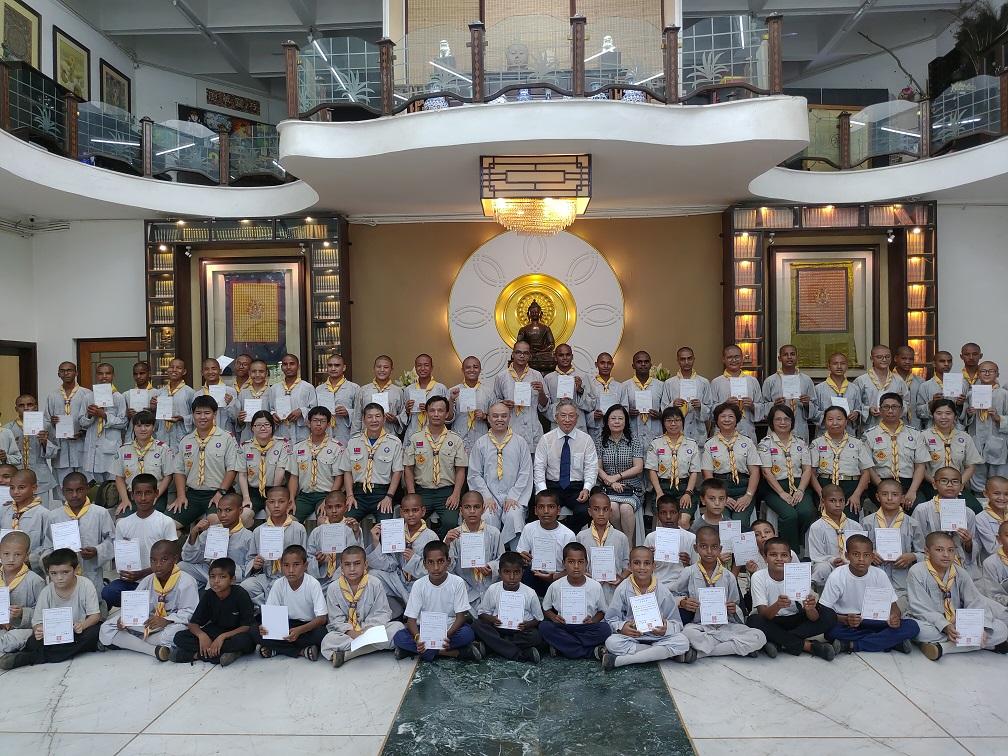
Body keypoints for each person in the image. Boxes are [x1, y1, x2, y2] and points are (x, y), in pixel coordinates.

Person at [908, 531, 1008, 659]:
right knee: (918, 630)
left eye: (951, 550)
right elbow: (920, 607)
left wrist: (978, 626)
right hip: (933, 623)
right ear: (927, 551)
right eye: (939, 550)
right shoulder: (917, 571)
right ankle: (982, 644)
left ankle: (943, 648)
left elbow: (975, 601)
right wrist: (945, 625)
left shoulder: (960, 572)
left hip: (959, 621)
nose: (946, 555)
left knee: (1001, 629)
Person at [0, 548, 101, 669]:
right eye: (54, 573)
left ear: (75, 570)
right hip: (54, 635)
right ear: (48, 572)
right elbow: (37, 621)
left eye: (65, 572)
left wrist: (82, 625)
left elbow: (95, 616)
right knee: (33, 642)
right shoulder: (46, 591)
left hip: (78, 631)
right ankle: (66, 651)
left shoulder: (85, 585)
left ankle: (30, 658)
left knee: (95, 631)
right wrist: (39, 630)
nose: (59, 577)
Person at [98, 539, 199, 661]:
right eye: (153, 560)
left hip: (170, 624)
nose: (158, 565)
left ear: (175, 559)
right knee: (107, 627)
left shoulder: (186, 581)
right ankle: (154, 650)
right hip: (151, 623)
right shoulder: (148, 580)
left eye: (164, 560)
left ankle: (133, 641)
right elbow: (134, 606)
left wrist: (166, 620)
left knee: (173, 635)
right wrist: (125, 618)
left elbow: (190, 613)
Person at [676, 526, 766, 658]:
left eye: (714, 547)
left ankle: (701, 653)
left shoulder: (728, 576)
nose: (709, 551)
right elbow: (673, 595)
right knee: (686, 635)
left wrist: (733, 608)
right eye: (703, 546)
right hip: (699, 626)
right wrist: (683, 602)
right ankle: (735, 647)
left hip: (725, 626)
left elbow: (735, 603)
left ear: (720, 548)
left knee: (759, 636)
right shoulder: (688, 572)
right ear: (696, 548)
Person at [820, 534, 919, 654]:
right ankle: (891, 641)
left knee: (912, 626)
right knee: (830, 632)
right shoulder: (837, 576)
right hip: (848, 621)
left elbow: (893, 606)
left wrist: (894, 617)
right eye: (856, 554)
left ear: (872, 557)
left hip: (874, 619)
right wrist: (845, 619)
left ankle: (851, 645)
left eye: (866, 555)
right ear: (847, 555)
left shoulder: (879, 574)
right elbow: (824, 611)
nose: (861, 559)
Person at [602, 546, 692, 669]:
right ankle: (662, 653)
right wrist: (622, 628)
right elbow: (611, 619)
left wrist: (666, 628)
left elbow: (677, 623)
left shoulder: (663, 591)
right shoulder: (623, 589)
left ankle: (622, 661)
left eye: (647, 563)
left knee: (682, 642)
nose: (642, 567)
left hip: (659, 637)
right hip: (632, 637)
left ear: (654, 566)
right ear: (629, 566)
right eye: (637, 563)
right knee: (612, 642)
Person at [746, 537, 837, 659]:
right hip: (772, 620)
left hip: (795, 620)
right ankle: (809, 646)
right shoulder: (758, 577)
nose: (779, 559)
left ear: (790, 558)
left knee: (829, 615)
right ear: (765, 558)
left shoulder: (797, 574)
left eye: (784, 555)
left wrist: (810, 608)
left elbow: (814, 618)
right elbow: (764, 614)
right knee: (754, 621)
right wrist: (778, 605)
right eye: (773, 555)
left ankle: (780, 642)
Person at [392, 540, 481, 661]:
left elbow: (461, 617)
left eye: (440, 561)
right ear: (424, 564)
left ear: (448, 562)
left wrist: (445, 636)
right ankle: (454, 653)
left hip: (449, 631)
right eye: (431, 562)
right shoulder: (419, 585)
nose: (436, 568)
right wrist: (418, 638)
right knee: (399, 637)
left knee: (467, 634)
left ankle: (413, 651)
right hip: (424, 631)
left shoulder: (458, 583)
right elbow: (411, 620)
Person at [102, 474, 178, 607]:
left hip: (159, 578)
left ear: (156, 493)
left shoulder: (165, 522)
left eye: (148, 493)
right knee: (109, 592)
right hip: (133, 581)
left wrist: (144, 573)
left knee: (169, 592)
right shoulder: (123, 524)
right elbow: (121, 559)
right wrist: (127, 573)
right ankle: (141, 605)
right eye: (138, 493)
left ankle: (143, 604)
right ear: (131, 495)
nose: (143, 498)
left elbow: (174, 560)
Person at [322, 545, 404, 667]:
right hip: (348, 633)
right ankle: (375, 647)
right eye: (347, 564)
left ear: (365, 565)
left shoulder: (374, 583)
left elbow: (382, 612)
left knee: (398, 628)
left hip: (370, 629)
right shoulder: (333, 588)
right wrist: (351, 632)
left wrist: (367, 629)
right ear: (342, 567)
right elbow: (335, 620)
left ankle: (349, 654)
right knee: (328, 642)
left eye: (357, 564)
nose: (352, 569)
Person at [466, 402, 533, 549]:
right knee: (487, 517)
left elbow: (525, 473)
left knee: (514, 516)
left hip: (514, 497)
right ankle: (493, 555)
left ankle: (515, 557)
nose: (499, 419)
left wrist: (514, 496)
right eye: (495, 416)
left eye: (504, 416)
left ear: (510, 418)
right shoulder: (481, 443)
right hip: (490, 496)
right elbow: (475, 474)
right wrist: (486, 496)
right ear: (488, 418)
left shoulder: (520, 442)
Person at [170, 395, 242, 529]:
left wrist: (221, 492)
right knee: (167, 524)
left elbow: (232, 469)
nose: (202, 417)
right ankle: (187, 548)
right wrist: (181, 495)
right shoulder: (186, 440)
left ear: (214, 414)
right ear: (192, 415)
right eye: (198, 413)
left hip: (218, 493)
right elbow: (179, 470)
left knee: (216, 522)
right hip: (192, 495)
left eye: (207, 413)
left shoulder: (226, 438)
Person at [168, 557, 256, 665]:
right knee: (179, 637)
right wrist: (202, 636)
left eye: (222, 577)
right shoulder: (209, 595)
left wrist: (222, 637)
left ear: (232, 579)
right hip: (214, 632)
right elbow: (193, 624)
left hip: (235, 633)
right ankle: (218, 654)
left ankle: (197, 655)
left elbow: (247, 626)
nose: (216, 581)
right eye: (212, 577)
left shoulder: (240, 594)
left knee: (246, 642)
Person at [404, 395, 468, 537]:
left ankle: (438, 546)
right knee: (411, 522)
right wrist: (412, 493)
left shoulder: (455, 439)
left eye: (440, 410)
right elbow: (408, 468)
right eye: (432, 410)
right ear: (426, 413)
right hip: (422, 492)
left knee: (451, 523)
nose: (436, 414)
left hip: (446, 493)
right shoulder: (415, 438)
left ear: (446, 414)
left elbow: (460, 469)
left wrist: (456, 493)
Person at [367, 494, 439, 617]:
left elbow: (434, 568)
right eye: (406, 511)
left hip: (419, 582)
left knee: (424, 615)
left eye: (415, 510)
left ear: (423, 511)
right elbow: (388, 564)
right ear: (401, 512)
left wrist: (414, 560)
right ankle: (394, 609)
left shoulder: (431, 536)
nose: (410, 514)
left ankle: (409, 614)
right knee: (373, 576)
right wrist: (375, 541)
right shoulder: (394, 532)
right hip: (399, 580)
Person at [43, 472, 114, 596]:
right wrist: (52, 556)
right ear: (62, 491)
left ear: (87, 488)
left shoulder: (99, 513)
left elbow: (112, 540)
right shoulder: (54, 516)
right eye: (69, 491)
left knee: (92, 603)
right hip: (63, 574)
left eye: (79, 490)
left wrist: (97, 550)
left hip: (91, 571)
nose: (75, 495)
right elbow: (48, 545)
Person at [758, 405, 816, 552]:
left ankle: (798, 541)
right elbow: (766, 472)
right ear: (771, 422)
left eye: (786, 419)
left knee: (807, 512)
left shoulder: (800, 442)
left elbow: (807, 469)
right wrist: (781, 493)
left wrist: (801, 490)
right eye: (778, 419)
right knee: (789, 515)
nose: (782, 422)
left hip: (799, 485)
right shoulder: (765, 444)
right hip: (774, 488)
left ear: (792, 421)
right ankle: (792, 552)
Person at [534, 399, 598, 534]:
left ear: (577, 418)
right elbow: (539, 468)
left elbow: (591, 467)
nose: (567, 419)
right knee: (540, 509)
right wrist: (543, 492)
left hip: (576, 488)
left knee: (584, 511)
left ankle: (567, 533)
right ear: (556, 418)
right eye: (563, 415)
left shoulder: (586, 440)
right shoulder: (546, 439)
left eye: (571, 415)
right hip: (552, 486)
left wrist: (587, 488)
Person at [255, 545, 328, 661]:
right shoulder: (279, 584)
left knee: (322, 634)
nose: (290, 570)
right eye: (286, 565)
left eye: (296, 565)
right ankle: (301, 651)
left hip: (307, 627)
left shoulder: (313, 584)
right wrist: (266, 627)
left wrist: (300, 630)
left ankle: (276, 649)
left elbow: (322, 618)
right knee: (254, 631)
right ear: (281, 565)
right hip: (286, 626)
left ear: (305, 566)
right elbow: (271, 614)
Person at [539, 542, 611, 659]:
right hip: (564, 626)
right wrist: (553, 617)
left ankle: (563, 648)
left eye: (580, 562)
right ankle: (591, 652)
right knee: (544, 627)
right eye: (571, 562)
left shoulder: (595, 586)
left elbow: (602, 612)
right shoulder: (556, 586)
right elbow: (546, 608)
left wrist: (592, 620)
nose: (576, 566)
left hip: (585, 628)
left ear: (586, 564)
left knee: (605, 630)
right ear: (564, 564)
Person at [240, 486, 309, 606]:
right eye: (272, 502)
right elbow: (250, 558)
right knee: (246, 586)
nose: (276, 505)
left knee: (285, 589)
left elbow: (305, 557)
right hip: (266, 576)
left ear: (289, 504)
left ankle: (271, 607)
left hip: (290, 577)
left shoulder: (298, 529)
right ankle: (268, 607)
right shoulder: (259, 531)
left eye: (281, 502)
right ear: (267, 504)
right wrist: (255, 564)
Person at [861, 478, 925, 607]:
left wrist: (912, 556)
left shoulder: (912, 523)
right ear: (877, 497)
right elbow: (858, 550)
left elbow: (924, 553)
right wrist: (870, 553)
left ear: (902, 498)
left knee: (899, 611)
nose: (889, 498)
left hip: (902, 581)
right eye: (884, 494)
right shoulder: (866, 522)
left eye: (895, 495)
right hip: (873, 578)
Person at [472, 551, 544, 663]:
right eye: (507, 572)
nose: (511, 577)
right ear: (499, 573)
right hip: (498, 629)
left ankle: (493, 647)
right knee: (477, 625)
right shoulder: (493, 589)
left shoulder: (530, 593)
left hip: (520, 632)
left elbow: (538, 619)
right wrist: (492, 619)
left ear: (522, 572)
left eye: (516, 572)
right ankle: (520, 654)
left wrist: (526, 624)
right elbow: (481, 613)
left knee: (536, 636)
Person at [701, 403, 761, 528]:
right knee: (723, 522)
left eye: (731, 416)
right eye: (723, 416)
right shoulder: (709, 444)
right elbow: (707, 474)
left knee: (740, 522)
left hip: (743, 489)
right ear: (717, 420)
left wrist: (748, 496)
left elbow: (755, 472)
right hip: (720, 489)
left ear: (737, 419)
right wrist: (722, 497)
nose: (727, 420)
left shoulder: (747, 442)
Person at [865, 393, 928, 510]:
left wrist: (912, 491)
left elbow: (920, 466)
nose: (890, 410)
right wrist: (884, 489)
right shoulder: (870, 435)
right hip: (880, 484)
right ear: (880, 410)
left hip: (908, 484)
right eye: (886, 407)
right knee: (888, 508)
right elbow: (868, 468)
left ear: (902, 410)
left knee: (919, 507)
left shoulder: (915, 434)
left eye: (894, 407)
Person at [343, 403, 403, 524]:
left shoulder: (394, 442)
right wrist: (350, 495)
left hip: (382, 493)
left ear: (384, 419)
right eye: (369, 417)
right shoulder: (353, 442)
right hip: (358, 495)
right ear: (364, 420)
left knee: (386, 529)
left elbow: (397, 472)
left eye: (378, 416)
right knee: (344, 525)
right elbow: (347, 471)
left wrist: (389, 497)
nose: (374, 420)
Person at [920, 398, 984, 512]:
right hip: (932, 485)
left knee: (975, 508)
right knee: (934, 510)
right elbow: (921, 467)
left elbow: (970, 466)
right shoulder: (923, 436)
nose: (943, 417)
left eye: (948, 413)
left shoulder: (964, 437)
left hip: (957, 486)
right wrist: (937, 483)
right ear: (932, 415)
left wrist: (959, 483)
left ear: (955, 416)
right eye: (939, 413)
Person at [180, 494, 256, 589]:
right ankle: (210, 582)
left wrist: (225, 568)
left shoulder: (248, 536)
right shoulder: (211, 532)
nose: (223, 515)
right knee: (182, 566)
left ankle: (212, 585)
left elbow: (249, 568)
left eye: (228, 510)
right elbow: (189, 558)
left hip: (234, 577)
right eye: (219, 510)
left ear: (240, 510)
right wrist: (194, 533)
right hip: (209, 572)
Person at [444, 492, 503, 615]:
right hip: (466, 590)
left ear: (483, 509)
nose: (472, 511)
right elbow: (448, 569)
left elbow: (502, 560)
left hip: (489, 588)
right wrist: (447, 544)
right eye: (467, 507)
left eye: (476, 507)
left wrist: (491, 567)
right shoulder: (454, 535)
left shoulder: (494, 533)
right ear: (461, 510)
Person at [595, 404, 645, 544]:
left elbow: (638, 467)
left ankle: (629, 546)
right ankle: (620, 541)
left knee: (626, 509)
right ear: (607, 421)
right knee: (613, 508)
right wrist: (611, 481)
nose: (617, 422)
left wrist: (618, 477)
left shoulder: (633, 440)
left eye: (620, 419)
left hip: (631, 488)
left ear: (626, 421)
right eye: (613, 418)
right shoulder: (600, 440)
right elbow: (597, 468)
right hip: (608, 487)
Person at [810, 406, 872, 515]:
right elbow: (811, 473)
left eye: (839, 419)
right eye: (830, 419)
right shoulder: (817, 443)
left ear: (846, 421)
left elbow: (866, 472)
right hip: (825, 485)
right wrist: (822, 495)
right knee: (825, 521)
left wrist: (856, 495)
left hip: (851, 487)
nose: (835, 423)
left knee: (850, 521)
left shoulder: (858, 443)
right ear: (824, 422)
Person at [287, 406, 346, 523]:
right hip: (304, 496)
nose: (318, 424)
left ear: (328, 424)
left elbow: (339, 477)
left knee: (324, 522)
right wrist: (292, 499)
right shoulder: (298, 447)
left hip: (325, 494)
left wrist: (328, 500)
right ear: (308, 423)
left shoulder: (336, 447)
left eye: (323, 421)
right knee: (288, 521)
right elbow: (294, 476)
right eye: (315, 420)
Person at [913, 466, 978, 570]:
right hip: (930, 563)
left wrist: (968, 542)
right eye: (944, 481)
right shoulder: (922, 510)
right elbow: (918, 544)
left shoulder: (969, 513)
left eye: (955, 481)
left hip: (960, 562)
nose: (950, 485)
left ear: (961, 486)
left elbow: (972, 548)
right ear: (934, 484)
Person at [111, 411, 174, 517]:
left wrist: (156, 497)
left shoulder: (163, 449)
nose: (143, 429)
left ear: (153, 427)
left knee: (153, 526)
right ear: (133, 428)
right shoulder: (123, 449)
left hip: (155, 497)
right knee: (121, 523)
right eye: (139, 425)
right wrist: (125, 500)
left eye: (147, 425)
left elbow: (168, 476)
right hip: (131, 497)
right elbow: (119, 477)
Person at [44, 361, 92, 496]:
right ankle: (67, 515)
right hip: (61, 449)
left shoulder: (86, 394)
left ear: (76, 373)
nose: (66, 373)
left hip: (81, 446)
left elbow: (93, 421)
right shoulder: (52, 396)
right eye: (63, 371)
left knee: (85, 485)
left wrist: (82, 433)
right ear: (58, 374)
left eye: (69, 370)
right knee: (64, 488)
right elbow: (46, 421)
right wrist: (52, 423)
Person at [646, 407, 701, 526]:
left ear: (682, 422)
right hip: (662, 487)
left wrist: (688, 493)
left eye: (677, 420)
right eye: (669, 420)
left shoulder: (691, 444)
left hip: (684, 487)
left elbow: (694, 472)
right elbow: (652, 470)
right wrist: (659, 492)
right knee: (663, 522)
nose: (673, 424)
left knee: (683, 522)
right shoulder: (655, 444)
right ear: (663, 423)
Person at [493, 340, 549, 451]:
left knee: (533, 465)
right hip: (510, 426)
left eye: (525, 353)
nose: (522, 355)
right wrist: (502, 404)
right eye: (518, 352)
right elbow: (494, 402)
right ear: (513, 354)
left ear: (529, 356)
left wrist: (541, 392)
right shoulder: (502, 377)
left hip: (532, 429)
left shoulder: (536, 375)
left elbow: (544, 406)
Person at [517, 491, 576, 595]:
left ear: (558, 510)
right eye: (541, 507)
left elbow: (572, 567)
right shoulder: (529, 528)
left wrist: (555, 577)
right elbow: (521, 556)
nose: (546, 511)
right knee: (524, 576)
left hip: (558, 576)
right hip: (534, 573)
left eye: (551, 507)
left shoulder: (568, 535)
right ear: (535, 510)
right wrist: (522, 559)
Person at [576, 492, 630, 604]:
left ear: (610, 512)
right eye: (596, 509)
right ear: (590, 512)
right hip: (588, 588)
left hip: (613, 589)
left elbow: (627, 564)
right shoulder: (581, 536)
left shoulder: (621, 537)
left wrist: (621, 577)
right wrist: (584, 574)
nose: (601, 513)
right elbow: (578, 562)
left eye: (605, 509)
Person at [5, 395, 58, 507]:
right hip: (16, 478)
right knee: (17, 511)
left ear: (35, 407)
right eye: (21, 405)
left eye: (30, 405)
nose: (26, 408)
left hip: (40, 478)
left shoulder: (46, 426)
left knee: (41, 512)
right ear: (16, 409)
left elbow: (55, 452)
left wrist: (44, 442)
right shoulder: (8, 429)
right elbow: (5, 456)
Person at [237, 411, 289, 526]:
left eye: (266, 424)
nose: (263, 428)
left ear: (272, 427)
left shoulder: (282, 444)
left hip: (274, 489)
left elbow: (280, 471)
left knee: (275, 517)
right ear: (252, 428)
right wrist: (246, 497)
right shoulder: (245, 446)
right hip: (253, 492)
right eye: (258, 425)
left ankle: (273, 543)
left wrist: (274, 496)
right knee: (244, 516)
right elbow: (242, 474)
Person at [0, 531, 45, 660]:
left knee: (11, 640)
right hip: (2, 627)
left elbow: (42, 612)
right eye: (6, 554)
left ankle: (14, 653)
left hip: (24, 628)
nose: (11, 559)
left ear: (26, 556)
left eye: (17, 554)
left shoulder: (35, 581)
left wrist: (22, 613)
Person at [808, 484, 863, 588]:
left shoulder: (855, 526)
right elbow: (816, 555)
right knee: (821, 569)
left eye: (841, 500)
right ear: (823, 502)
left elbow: (861, 549)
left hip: (851, 563)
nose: (838, 504)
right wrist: (833, 560)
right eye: (832, 501)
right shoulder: (817, 527)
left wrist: (848, 560)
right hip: (829, 564)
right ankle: (820, 599)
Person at [965, 361, 1007, 495]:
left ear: (997, 373)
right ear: (978, 374)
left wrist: (998, 418)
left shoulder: (1004, 394)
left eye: (991, 371)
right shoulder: (971, 394)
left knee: (998, 476)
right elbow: (962, 421)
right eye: (983, 371)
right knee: (977, 473)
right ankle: (979, 500)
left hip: (997, 441)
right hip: (976, 440)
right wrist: (969, 414)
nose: (987, 373)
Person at [307, 490, 363, 590]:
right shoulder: (317, 532)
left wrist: (356, 533)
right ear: (325, 509)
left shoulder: (352, 528)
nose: (334, 511)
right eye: (329, 507)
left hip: (346, 580)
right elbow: (309, 558)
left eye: (338, 506)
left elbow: (360, 555)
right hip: (321, 580)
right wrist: (318, 561)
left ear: (345, 507)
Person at [762, 345, 818, 441]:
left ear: (797, 357)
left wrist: (807, 404)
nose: (789, 357)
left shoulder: (806, 380)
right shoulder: (770, 381)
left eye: (792, 354)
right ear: (779, 358)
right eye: (785, 355)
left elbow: (815, 406)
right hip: (777, 427)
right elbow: (762, 406)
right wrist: (774, 405)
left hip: (799, 426)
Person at [709, 345, 764, 442]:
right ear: (723, 359)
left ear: (742, 358)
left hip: (747, 429)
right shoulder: (716, 382)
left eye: (737, 357)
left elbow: (761, 406)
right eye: (729, 357)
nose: (733, 360)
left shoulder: (752, 381)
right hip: (723, 432)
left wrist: (752, 405)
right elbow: (710, 410)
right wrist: (725, 404)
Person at [660, 346, 711, 446]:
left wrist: (701, 406)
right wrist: (673, 404)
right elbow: (663, 409)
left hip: (697, 430)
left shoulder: (703, 382)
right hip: (676, 431)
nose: (686, 362)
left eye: (689, 358)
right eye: (683, 359)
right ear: (678, 361)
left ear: (694, 359)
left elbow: (710, 410)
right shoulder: (669, 383)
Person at [853, 345, 910, 434]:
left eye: (887, 357)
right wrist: (868, 409)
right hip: (870, 426)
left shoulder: (898, 380)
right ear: (872, 358)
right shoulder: (861, 381)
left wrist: (895, 409)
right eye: (879, 357)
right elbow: (855, 404)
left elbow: (906, 402)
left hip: (893, 426)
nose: (884, 360)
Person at [2, 469, 51, 572]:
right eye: (12, 488)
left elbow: (48, 545)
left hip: (31, 570)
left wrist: (30, 559)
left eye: (21, 488)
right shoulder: (4, 511)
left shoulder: (44, 514)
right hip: (4, 568)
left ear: (34, 488)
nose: (15, 492)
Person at [644, 495, 696, 591]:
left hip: (681, 587)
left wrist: (687, 564)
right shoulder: (651, 538)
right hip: (656, 586)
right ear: (658, 515)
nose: (668, 517)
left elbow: (697, 570)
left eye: (673, 512)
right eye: (663, 513)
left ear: (679, 514)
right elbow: (644, 570)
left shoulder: (691, 538)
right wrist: (648, 560)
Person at [542, 344, 593, 432]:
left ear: (572, 356)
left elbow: (592, 405)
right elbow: (544, 408)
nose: (565, 358)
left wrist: (580, 391)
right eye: (561, 355)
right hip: (557, 426)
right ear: (555, 357)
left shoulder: (582, 376)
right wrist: (559, 404)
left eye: (568, 354)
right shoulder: (549, 378)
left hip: (578, 425)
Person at [447, 356, 493, 453]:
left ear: (480, 370)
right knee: (459, 466)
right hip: (458, 437)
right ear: (462, 370)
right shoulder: (453, 391)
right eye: (468, 367)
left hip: (481, 436)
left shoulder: (488, 392)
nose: (472, 370)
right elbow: (448, 419)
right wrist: (451, 400)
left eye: (475, 367)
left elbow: (495, 417)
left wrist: (485, 416)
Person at [269, 353, 317, 444]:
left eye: (292, 364)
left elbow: (314, 410)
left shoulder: (307, 387)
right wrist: (273, 414)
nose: (288, 367)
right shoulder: (274, 388)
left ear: (298, 366)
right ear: (281, 367)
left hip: (301, 432)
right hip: (281, 430)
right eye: (285, 364)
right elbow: (270, 408)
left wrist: (301, 411)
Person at [813, 352, 863, 437]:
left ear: (847, 366)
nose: (839, 367)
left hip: (848, 433)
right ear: (828, 366)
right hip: (825, 434)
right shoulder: (819, 388)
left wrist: (856, 414)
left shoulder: (854, 388)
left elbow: (859, 408)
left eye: (842, 363)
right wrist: (828, 416)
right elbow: (813, 413)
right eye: (835, 363)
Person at [353, 355, 405, 437]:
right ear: (374, 368)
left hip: (390, 435)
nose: (382, 370)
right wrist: (355, 436)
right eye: (378, 367)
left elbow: (403, 414)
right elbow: (357, 415)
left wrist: (395, 419)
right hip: (366, 436)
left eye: (386, 367)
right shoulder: (364, 390)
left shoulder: (398, 391)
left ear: (391, 370)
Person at [315, 353, 358, 448]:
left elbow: (361, 412)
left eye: (337, 365)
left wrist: (348, 412)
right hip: (324, 432)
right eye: (330, 365)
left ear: (344, 367)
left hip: (345, 433)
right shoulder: (319, 389)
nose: (333, 368)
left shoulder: (354, 388)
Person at [623, 351, 664, 450]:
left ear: (650, 364)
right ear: (633, 365)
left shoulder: (661, 385)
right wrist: (627, 413)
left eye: (646, 361)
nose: (643, 364)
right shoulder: (624, 386)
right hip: (633, 431)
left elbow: (667, 410)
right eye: (639, 362)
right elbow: (620, 410)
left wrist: (660, 414)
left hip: (655, 431)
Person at [915, 351, 967, 430]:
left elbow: (965, 414)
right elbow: (918, 412)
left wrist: (960, 405)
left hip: (955, 429)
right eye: (942, 361)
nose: (946, 364)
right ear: (934, 364)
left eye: (949, 361)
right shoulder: (925, 386)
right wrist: (931, 404)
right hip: (932, 428)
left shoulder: (961, 384)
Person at [402, 354, 449, 440]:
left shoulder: (440, 388)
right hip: (413, 431)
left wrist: (429, 409)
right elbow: (403, 417)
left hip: (435, 433)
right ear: (415, 368)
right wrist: (407, 410)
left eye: (426, 365)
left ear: (431, 368)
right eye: (419, 365)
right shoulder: (408, 389)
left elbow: (446, 413)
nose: (422, 368)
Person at [153, 358, 195, 449]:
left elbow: (196, 415)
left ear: (184, 372)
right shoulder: (160, 393)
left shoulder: (190, 392)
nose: (174, 370)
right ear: (167, 370)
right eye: (171, 367)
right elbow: (154, 418)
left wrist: (182, 418)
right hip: (162, 434)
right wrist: (153, 408)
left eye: (178, 368)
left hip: (181, 435)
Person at [588, 352, 627, 444]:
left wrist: (617, 417)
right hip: (595, 430)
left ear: (612, 365)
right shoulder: (589, 385)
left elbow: (625, 408)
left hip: (615, 430)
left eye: (609, 363)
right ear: (596, 364)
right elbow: (584, 409)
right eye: (602, 363)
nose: (606, 366)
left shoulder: (620, 387)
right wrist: (593, 415)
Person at [233, 358, 272, 444]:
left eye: (261, 371)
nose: (257, 374)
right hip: (247, 435)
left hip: (268, 436)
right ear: (249, 373)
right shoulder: (243, 392)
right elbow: (239, 422)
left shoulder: (272, 391)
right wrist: (240, 419)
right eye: (254, 371)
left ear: (266, 373)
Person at [198, 357, 237, 436]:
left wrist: (231, 403)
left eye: (214, 368)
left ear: (220, 371)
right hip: (205, 434)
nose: (210, 372)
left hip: (226, 433)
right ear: (202, 372)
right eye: (206, 369)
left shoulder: (230, 391)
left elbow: (235, 417)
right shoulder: (198, 394)